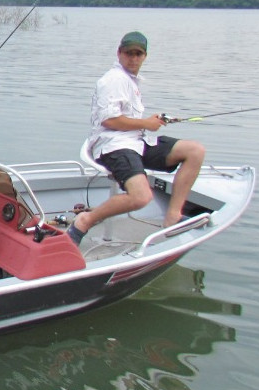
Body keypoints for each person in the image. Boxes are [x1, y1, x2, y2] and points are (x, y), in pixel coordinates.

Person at [68, 31, 205, 245]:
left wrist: (153, 121)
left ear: (145, 56)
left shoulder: (131, 80)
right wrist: (146, 123)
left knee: (194, 151)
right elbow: (109, 121)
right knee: (141, 196)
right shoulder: (112, 80)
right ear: (119, 53)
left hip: (137, 142)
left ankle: (172, 218)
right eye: (128, 53)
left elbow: (129, 118)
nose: (133, 58)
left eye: (138, 54)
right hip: (112, 146)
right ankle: (85, 220)